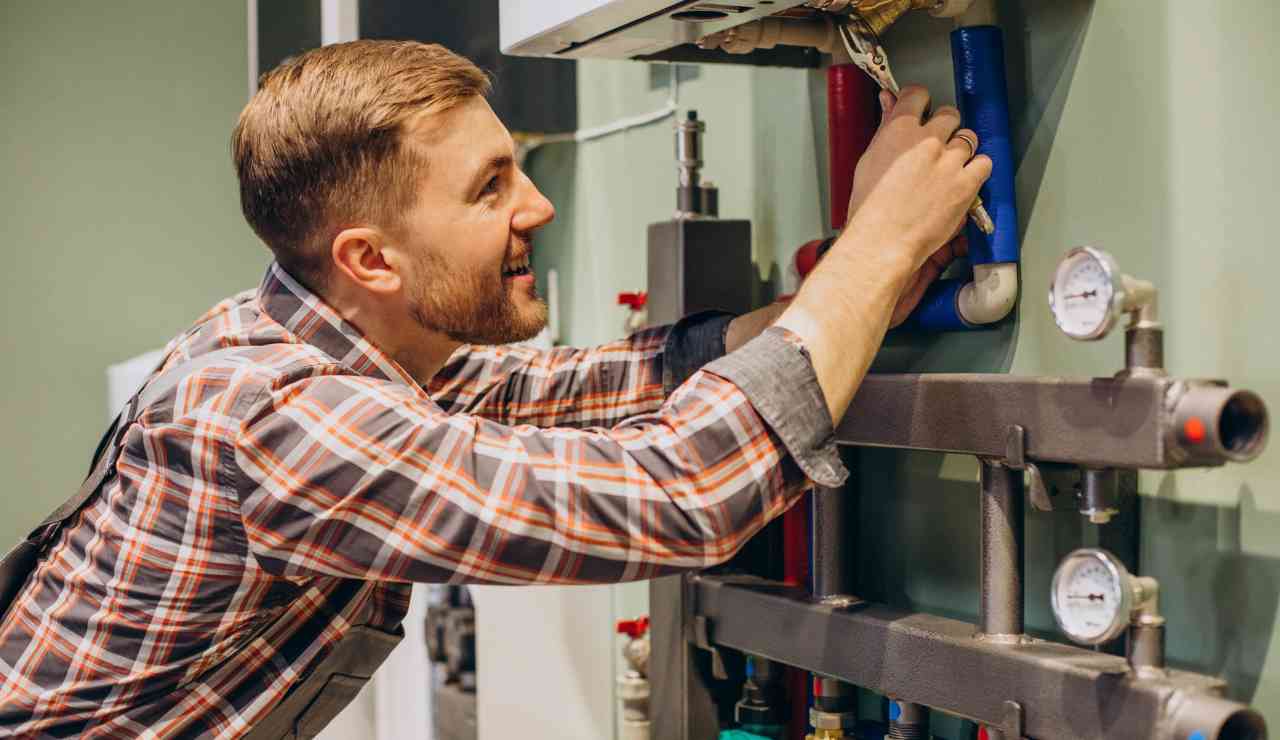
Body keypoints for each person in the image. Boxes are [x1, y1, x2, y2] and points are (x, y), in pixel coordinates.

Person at [0, 40, 989, 738]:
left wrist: (848, 295)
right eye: (490, 186)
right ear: (371, 258)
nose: (538, 203)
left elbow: (575, 388)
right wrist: (877, 244)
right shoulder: (278, 417)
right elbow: (678, 495)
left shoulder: (316, 342)